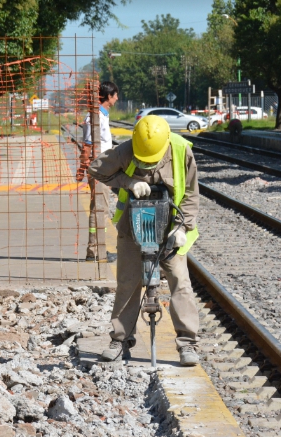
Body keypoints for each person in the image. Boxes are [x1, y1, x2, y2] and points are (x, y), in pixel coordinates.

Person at [87, 115, 201, 366]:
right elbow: (95, 169)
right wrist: (128, 182)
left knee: (180, 282)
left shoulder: (182, 151)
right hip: (133, 226)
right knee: (128, 283)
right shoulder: (127, 150)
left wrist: (182, 227)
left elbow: (192, 194)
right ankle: (120, 339)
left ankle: (187, 343)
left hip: (171, 226)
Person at [78, 81, 118, 262]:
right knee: (100, 207)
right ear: (109, 96)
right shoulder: (95, 117)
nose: (117, 99)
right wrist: (83, 166)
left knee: (100, 206)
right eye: (115, 95)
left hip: (104, 166)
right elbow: (87, 145)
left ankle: (95, 248)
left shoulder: (101, 115)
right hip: (98, 167)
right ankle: (95, 249)